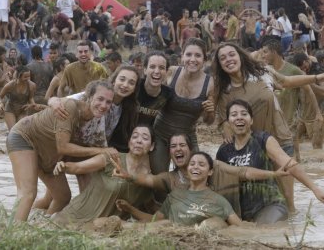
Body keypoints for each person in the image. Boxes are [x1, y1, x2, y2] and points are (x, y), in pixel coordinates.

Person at [213, 42, 324, 212]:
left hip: (280, 138)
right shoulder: (224, 90)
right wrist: (223, 125)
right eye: (222, 58)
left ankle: (288, 232)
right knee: (260, 201)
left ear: (240, 56)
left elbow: (286, 81)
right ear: (220, 65)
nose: (228, 59)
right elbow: (222, 116)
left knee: (288, 201)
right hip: (253, 149)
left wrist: (315, 78)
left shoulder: (262, 72)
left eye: (231, 54)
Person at [7, 80, 115, 221]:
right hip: (24, 137)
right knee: (28, 193)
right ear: (88, 96)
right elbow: (63, 147)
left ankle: (40, 227)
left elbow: (97, 155)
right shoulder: (70, 107)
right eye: (100, 99)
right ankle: (11, 235)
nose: (104, 105)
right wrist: (102, 151)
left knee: (63, 197)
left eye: (108, 102)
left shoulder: (97, 121)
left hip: (49, 154)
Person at [216, 99, 324, 224]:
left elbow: (290, 164)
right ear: (229, 122)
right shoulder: (224, 151)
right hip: (238, 210)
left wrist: (315, 189)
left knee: (266, 231)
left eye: (244, 114)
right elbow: (217, 182)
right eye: (234, 115)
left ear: (251, 120)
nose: (239, 117)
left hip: (269, 205)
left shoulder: (263, 140)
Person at [114, 133, 290, 216]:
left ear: (191, 150)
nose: (178, 149)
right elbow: (148, 179)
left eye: (182, 145)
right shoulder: (170, 179)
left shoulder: (213, 165)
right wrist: (129, 176)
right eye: (173, 147)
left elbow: (243, 172)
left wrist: (273, 173)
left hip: (233, 216)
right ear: (170, 154)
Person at [51, 125, 154, 228]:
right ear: (129, 142)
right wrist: (63, 166)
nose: (139, 141)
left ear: (152, 146)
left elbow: (150, 209)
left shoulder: (148, 179)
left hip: (102, 228)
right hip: (74, 217)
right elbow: (78, 168)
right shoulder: (112, 158)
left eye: (145, 138)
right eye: (135, 136)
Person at [116, 151, 243, 227]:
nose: (195, 167)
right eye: (192, 164)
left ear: (210, 172)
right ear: (188, 171)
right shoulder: (175, 195)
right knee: (165, 224)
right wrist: (130, 209)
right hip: (169, 237)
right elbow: (154, 221)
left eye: (201, 164)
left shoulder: (219, 201)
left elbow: (240, 227)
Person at [152, 38, 215, 175]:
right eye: (188, 54)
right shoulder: (171, 73)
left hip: (187, 138)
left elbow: (208, 121)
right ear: (182, 57)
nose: (192, 59)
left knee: (196, 174)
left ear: (204, 59)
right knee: (159, 177)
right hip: (160, 134)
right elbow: (152, 96)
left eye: (198, 55)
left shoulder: (210, 84)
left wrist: (210, 112)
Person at [0, 65, 37, 130]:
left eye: (29, 76)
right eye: (25, 77)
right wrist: (1, 103)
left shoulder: (32, 85)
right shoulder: (10, 85)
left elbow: (30, 98)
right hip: (10, 110)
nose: (28, 79)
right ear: (19, 76)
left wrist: (32, 104)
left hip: (23, 110)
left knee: (22, 131)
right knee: (13, 131)